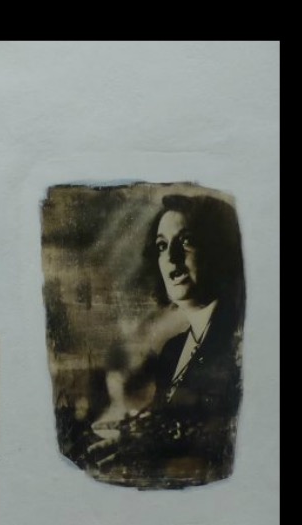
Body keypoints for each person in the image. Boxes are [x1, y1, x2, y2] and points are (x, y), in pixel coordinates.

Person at [91, 193, 244, 487]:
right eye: (162, 246)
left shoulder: (237, 341)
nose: (171, 257)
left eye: (186, 241)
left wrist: (148, 444)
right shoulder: (173, 351)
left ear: (218, 250)